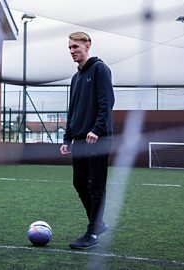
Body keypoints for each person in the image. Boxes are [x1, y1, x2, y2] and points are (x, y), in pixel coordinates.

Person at [60, 31, 115, 249]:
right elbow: (72, 110)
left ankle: (92, 234)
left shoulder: (100, 68)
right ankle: (98, 223)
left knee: (96, 186)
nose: (72, 51)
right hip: (79, 140)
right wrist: (67, 137)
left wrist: (97, 129)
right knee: (79, 183)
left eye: (76, 47)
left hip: (98, 139)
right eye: (70, 48)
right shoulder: (76, 77)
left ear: (88, 45)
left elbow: (107, 101)